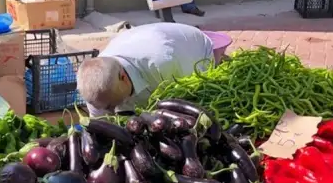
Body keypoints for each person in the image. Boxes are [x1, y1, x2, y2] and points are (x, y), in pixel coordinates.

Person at [76, 23, 231, 116]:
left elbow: (188, 100)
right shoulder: (95, 87)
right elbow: (100, 121)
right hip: (146, 39)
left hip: (195, 48)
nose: (111, 111)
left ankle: (222, 59)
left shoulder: (163, 64)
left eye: (112, 106)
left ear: (123, 77)